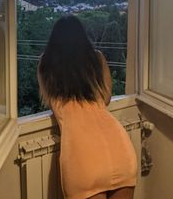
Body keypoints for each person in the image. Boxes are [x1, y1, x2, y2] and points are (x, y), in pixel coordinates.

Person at [37, 15, 137, 199]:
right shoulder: (97, 58)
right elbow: (105, 98)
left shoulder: (45, 64)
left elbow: (53, 103)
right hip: (117, 144)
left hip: (81, 153)